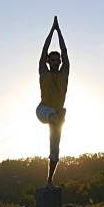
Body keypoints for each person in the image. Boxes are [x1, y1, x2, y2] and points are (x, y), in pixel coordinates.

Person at [36, 16, 69, 189]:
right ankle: (56, 118)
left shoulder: (64, 75)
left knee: (55, 150)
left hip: (57, 114)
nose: (55, 62)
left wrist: (60, 32)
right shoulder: (44, 73)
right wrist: (53, 30)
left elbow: (64, 52)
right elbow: (43, 50)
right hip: (43, 110)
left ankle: (49, 181)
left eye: (58, 60)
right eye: (52, 60)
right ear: (48, 62)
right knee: (53, 116)